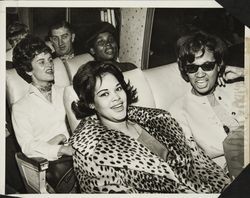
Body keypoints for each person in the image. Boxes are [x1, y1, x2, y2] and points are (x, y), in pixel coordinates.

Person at [69, 61, 230, 193]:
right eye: (104, 94)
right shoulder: (91, 154)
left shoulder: (159, 120)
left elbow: (201, 163)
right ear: (91, 103)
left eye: (118, 89)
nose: (116, 98)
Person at [170, 31, 244, 168]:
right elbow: (190, 163)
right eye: (192, 68)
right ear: (185, 70)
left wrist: (243, 72)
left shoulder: (237, 87)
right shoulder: (178, 111)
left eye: (207, 66)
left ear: (219, 65)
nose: (199, 74)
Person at [12, 35, 73, 161]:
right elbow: (28, 146)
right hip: (51, 165)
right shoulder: (20, 108)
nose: (49, 65)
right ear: (28, 70)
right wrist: (60, 149)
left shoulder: (66, 92)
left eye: (50, 60)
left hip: (78, 151)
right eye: (41, 62)